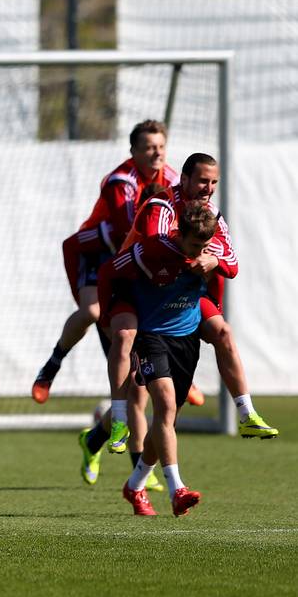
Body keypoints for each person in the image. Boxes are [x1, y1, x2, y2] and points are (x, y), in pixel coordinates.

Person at [108, 152, 276, 441]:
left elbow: (232, 263)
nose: (208, 189)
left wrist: (214, 261)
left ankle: (247, 414)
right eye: (202, 181)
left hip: (177, 297)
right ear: (183, 179)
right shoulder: (161, 206)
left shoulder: (211, 214)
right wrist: (204, 258)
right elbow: (154, 246)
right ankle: (118, 420)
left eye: (213, 182)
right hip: (136, 291)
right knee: (126, 340)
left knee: (222, 333)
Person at [33, 120, 180, 404]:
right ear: (133, 151)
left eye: (161, 147)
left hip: (134, 254)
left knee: (136, 378)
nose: (156, 153)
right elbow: (129, 230)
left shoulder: (172, 179)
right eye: (149, 147)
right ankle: (52, 364)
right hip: (101, 251)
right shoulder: (121, 181)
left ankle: (178, 376)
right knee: (93, 313)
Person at [109, 204, 220, 517]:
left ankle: (134, 485)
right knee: (166, 405)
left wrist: (214, 259)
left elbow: (232, 265)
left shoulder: (209, 251)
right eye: (194, 246)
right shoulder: (153, 249)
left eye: (204, 246)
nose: (199, 252)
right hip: (150, 335)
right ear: (178, 235)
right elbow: (114, 268)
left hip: (186, 340)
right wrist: (111, 313)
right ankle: (177, 489)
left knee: (166, 420)